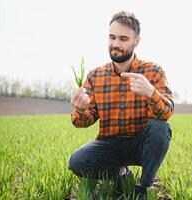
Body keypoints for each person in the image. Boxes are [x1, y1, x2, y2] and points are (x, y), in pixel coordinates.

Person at [69, 10, 174, 200]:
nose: (116, 44)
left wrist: (151, 92)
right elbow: (81, 122)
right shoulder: (95, 75)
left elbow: (167, 112)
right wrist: (81, 110)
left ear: (136, 41)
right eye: (112, 37)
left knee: (160, 127)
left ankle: (143, 187)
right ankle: (122, 175)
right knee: (77, 162)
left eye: (123, 38)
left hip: (140, 144)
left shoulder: (153, 71)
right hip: (109, 143)